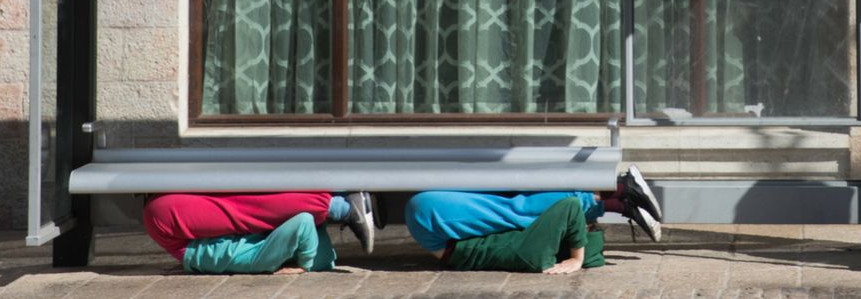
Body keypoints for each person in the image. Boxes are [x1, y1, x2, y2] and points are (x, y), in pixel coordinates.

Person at [405, 164, 663, 274]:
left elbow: (569, 211)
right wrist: (577, 257)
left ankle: (622, 192)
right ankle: (622, 201)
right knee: (517, 208)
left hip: (437, 228)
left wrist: (576, 258)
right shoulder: (536, 251)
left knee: (518, 210)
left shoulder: (534, 252)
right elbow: (569, 212)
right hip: (439, 234)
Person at [142, 190, 376, 275]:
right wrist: (305, 263)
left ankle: (343, 207)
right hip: (179, 238)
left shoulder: (265, 259)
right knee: (243, 208)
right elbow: (304, 223)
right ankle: (344, 205)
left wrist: (304, 263)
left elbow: (304, 222)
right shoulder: (267, 258)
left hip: (178, 236)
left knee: (246, 209)